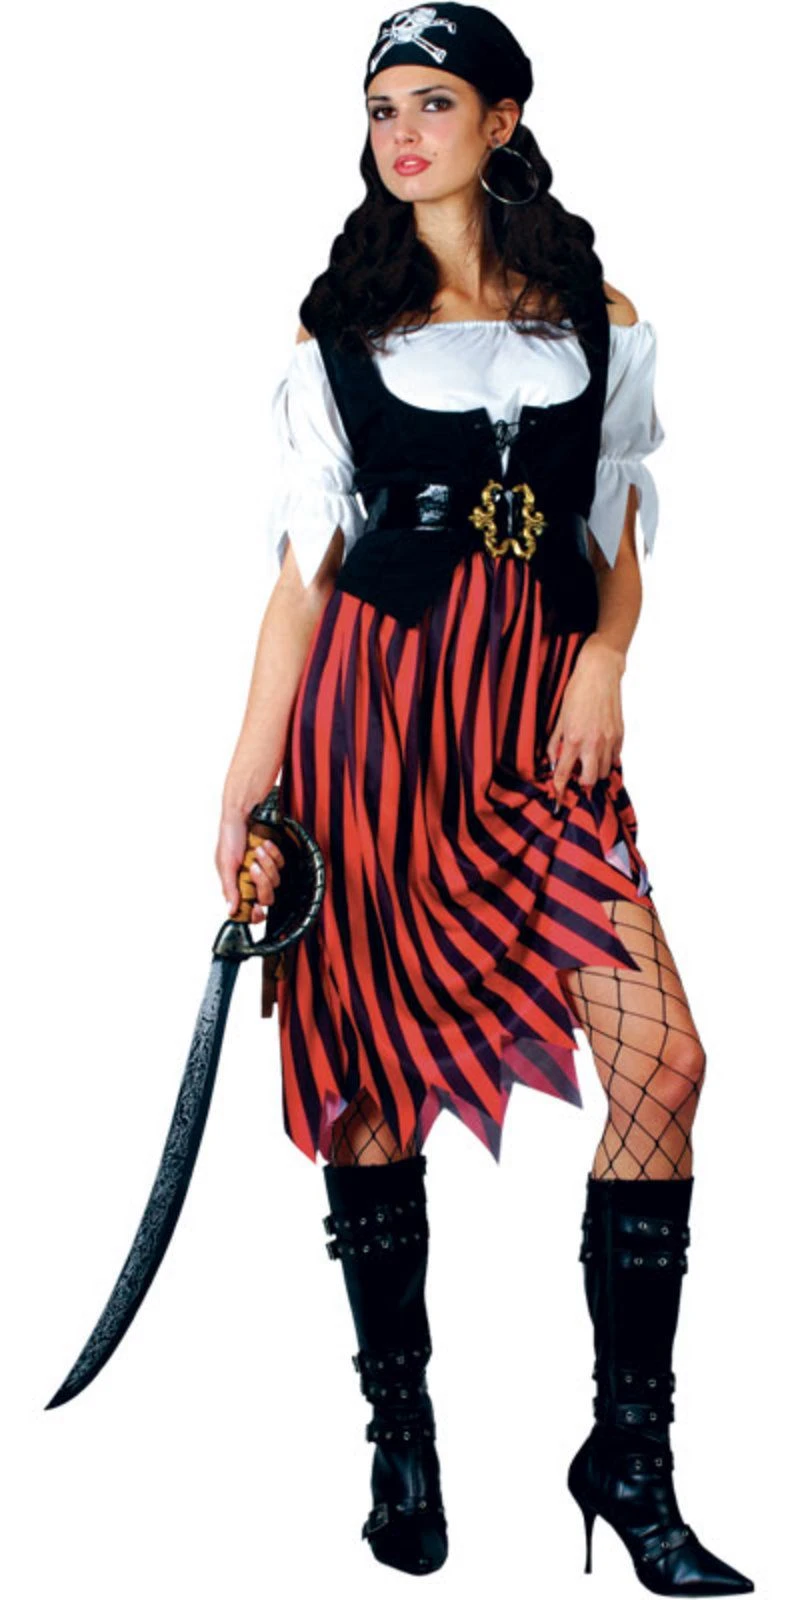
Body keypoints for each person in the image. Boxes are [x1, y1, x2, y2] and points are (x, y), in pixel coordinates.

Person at [216, 5, 755, 1592]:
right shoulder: (340, 335)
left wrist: (607, 664)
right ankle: (401, 1431)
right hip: (376, 727)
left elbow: (616, 533)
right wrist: (246, 791)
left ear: (503, 120)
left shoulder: (600, 314)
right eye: (381, 107)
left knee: (663, 1064)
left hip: (540, 732)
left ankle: (630, 1456)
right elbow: (303, 582)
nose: (401, 134)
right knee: (372, 1081)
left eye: (432, 102)